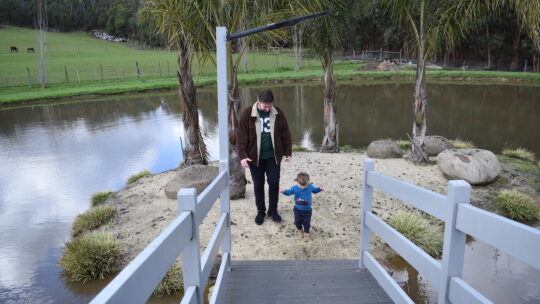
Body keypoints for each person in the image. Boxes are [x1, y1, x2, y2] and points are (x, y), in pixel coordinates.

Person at [237, 90, 292, 225]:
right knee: (258, 185)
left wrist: (288, 151)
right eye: (265, 107)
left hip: (273, 157)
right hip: (254, 158)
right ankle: (261, 211)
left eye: (270, 106)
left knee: (274, 183)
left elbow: (285, 133)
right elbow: (241, 137)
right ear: (258, 101)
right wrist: (243, 156)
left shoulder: (277, 113)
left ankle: (273, 210)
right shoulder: (247, 114)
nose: (267, 109)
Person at [280, 172, 324, 242]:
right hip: (297, 209)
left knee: (306, 223)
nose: (303, 187)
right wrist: (284, 191)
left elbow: (315, 190)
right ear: (297, 182)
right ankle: (300, 231)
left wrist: (320, 189)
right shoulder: (294, 188)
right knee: (297, 222)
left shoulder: (310, 187)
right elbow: (289, 192)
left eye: (305, 185)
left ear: (308, 182)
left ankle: (306, 235)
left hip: (307, 210)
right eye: (301, 185)